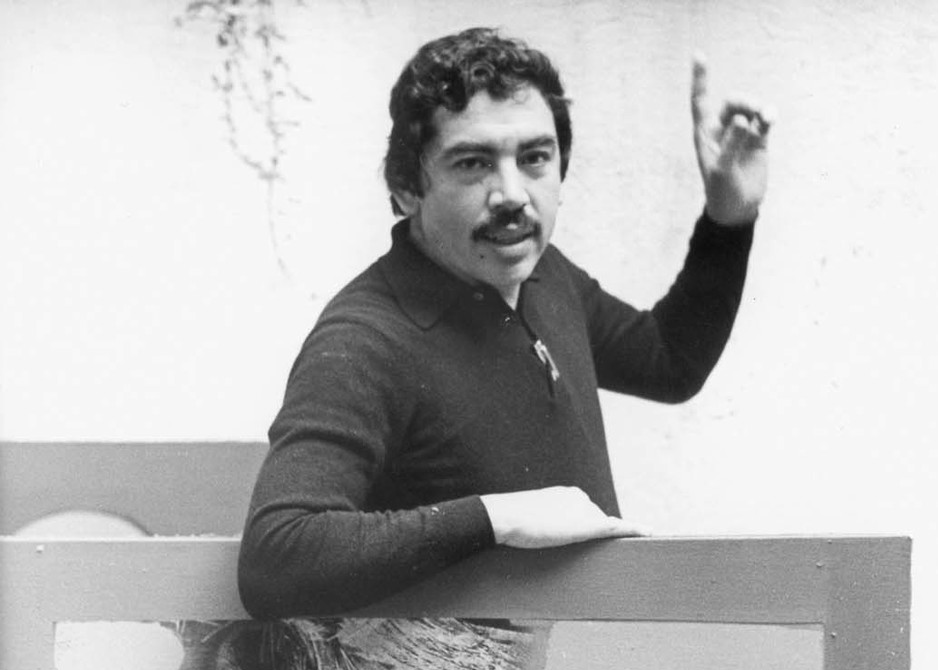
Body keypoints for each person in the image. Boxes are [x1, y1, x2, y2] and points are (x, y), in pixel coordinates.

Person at [237, 27, 772, 617]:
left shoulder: (544, 274)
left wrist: (728, 222)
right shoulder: (364, 339)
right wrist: (500, 516)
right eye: (474, 163)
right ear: (407, 187)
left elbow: (669, 362)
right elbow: (276, 558)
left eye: (535, 157)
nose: (513, 194)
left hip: (586, 658)